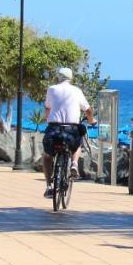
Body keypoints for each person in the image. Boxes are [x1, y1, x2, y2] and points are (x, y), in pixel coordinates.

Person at [42, 67, 94, 198]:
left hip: (54, 128)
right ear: (71, 78)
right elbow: (87, 109)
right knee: (77, 145)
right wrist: (92, 120)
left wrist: (46, 118)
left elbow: (48, 107)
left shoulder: (51, 89)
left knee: (47, 156)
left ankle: (49, 186)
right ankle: (74, 164)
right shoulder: (77, 90)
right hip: (71, 128)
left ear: (58, 77)